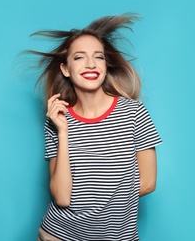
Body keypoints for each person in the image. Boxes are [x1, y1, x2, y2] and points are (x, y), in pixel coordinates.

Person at [29, 13, 162, 240]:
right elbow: (61, 197)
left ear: (105, 65)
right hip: (60, 235)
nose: (91, 64)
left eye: (98, 57)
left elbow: (148, 182)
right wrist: (62, 131)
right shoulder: (57, 120)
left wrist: (99, 208)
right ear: (66, 69)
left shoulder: (133, 112)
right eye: (79, 57)